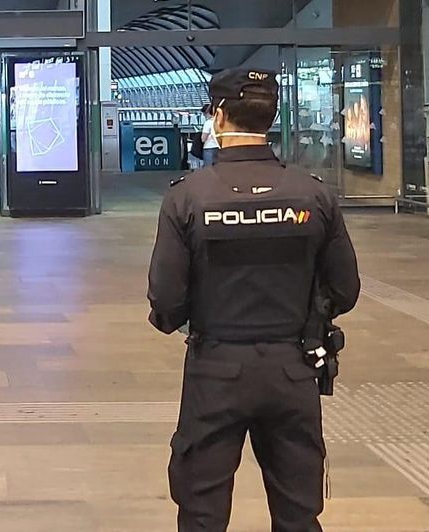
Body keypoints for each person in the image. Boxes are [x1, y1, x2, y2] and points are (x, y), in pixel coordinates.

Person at [147, 67, 360, 532]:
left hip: (216, 369)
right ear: (273, 117)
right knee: (298, 512)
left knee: (202, 512)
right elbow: (345, 289)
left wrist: (191, 319)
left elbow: (166, 299)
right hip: (294, 368)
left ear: (219, 115)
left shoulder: (188, 198)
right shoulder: (313, 194)